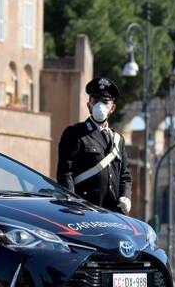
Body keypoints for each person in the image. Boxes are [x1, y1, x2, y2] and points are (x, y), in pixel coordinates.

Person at [56, 77, 132, 215]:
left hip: (114, 213)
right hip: (85, 211)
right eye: (95, 100)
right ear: (89, 105)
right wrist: (72, 204)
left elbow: (125, 176)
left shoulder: (118, 140)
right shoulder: (75, 133)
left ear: (112, 108)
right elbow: (65, 173)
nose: (99, 105)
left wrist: (126, 196)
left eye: (105, 101)